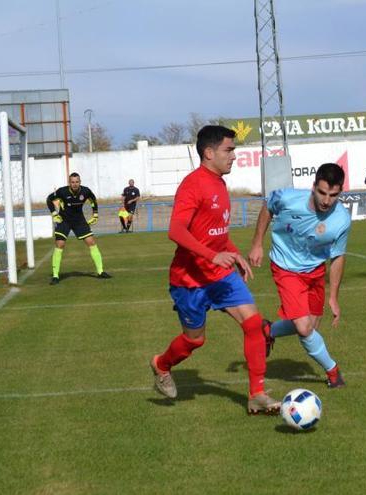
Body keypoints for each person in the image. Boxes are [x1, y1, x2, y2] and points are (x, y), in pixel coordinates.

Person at [149, 125, 280, 414]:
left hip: (220, 276)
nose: (234, 155)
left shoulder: (220, 184)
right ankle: (161, 364)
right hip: (188, 279)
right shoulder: (192, 184)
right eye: (229, 150)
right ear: (209, 153)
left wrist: (233, 254)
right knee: (195, 340)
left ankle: (256, 393)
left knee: (254, 324)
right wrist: (212, 255)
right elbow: (176, 230)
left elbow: (217, 233)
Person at [248, 163, 350, 388]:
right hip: (285, 268)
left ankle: (268, 330)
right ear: (313, 187)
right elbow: (268, 207)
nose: (326, 200)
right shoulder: (288, 198)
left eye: (333, 195)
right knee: (304, 328)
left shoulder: (341, 219)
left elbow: (338, 257)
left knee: (311, 326)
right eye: (322, 192)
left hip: (315, 271)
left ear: (340, 192)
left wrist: (333, 296)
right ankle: (333, 372)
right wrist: (257, 244)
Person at [46, 173, 111, 285]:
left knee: (91, 242)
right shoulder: (62, 191)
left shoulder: (85, 191)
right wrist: (54, 214)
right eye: (72, 182)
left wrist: (95, 214)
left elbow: (93, 199)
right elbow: (49, 199)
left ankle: (100, 272)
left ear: (80, 182)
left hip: (79, 221)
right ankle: (56, 276)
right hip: (64, 220)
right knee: (60, 244)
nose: (75, 184)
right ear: (69, 183)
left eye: (77, 182)